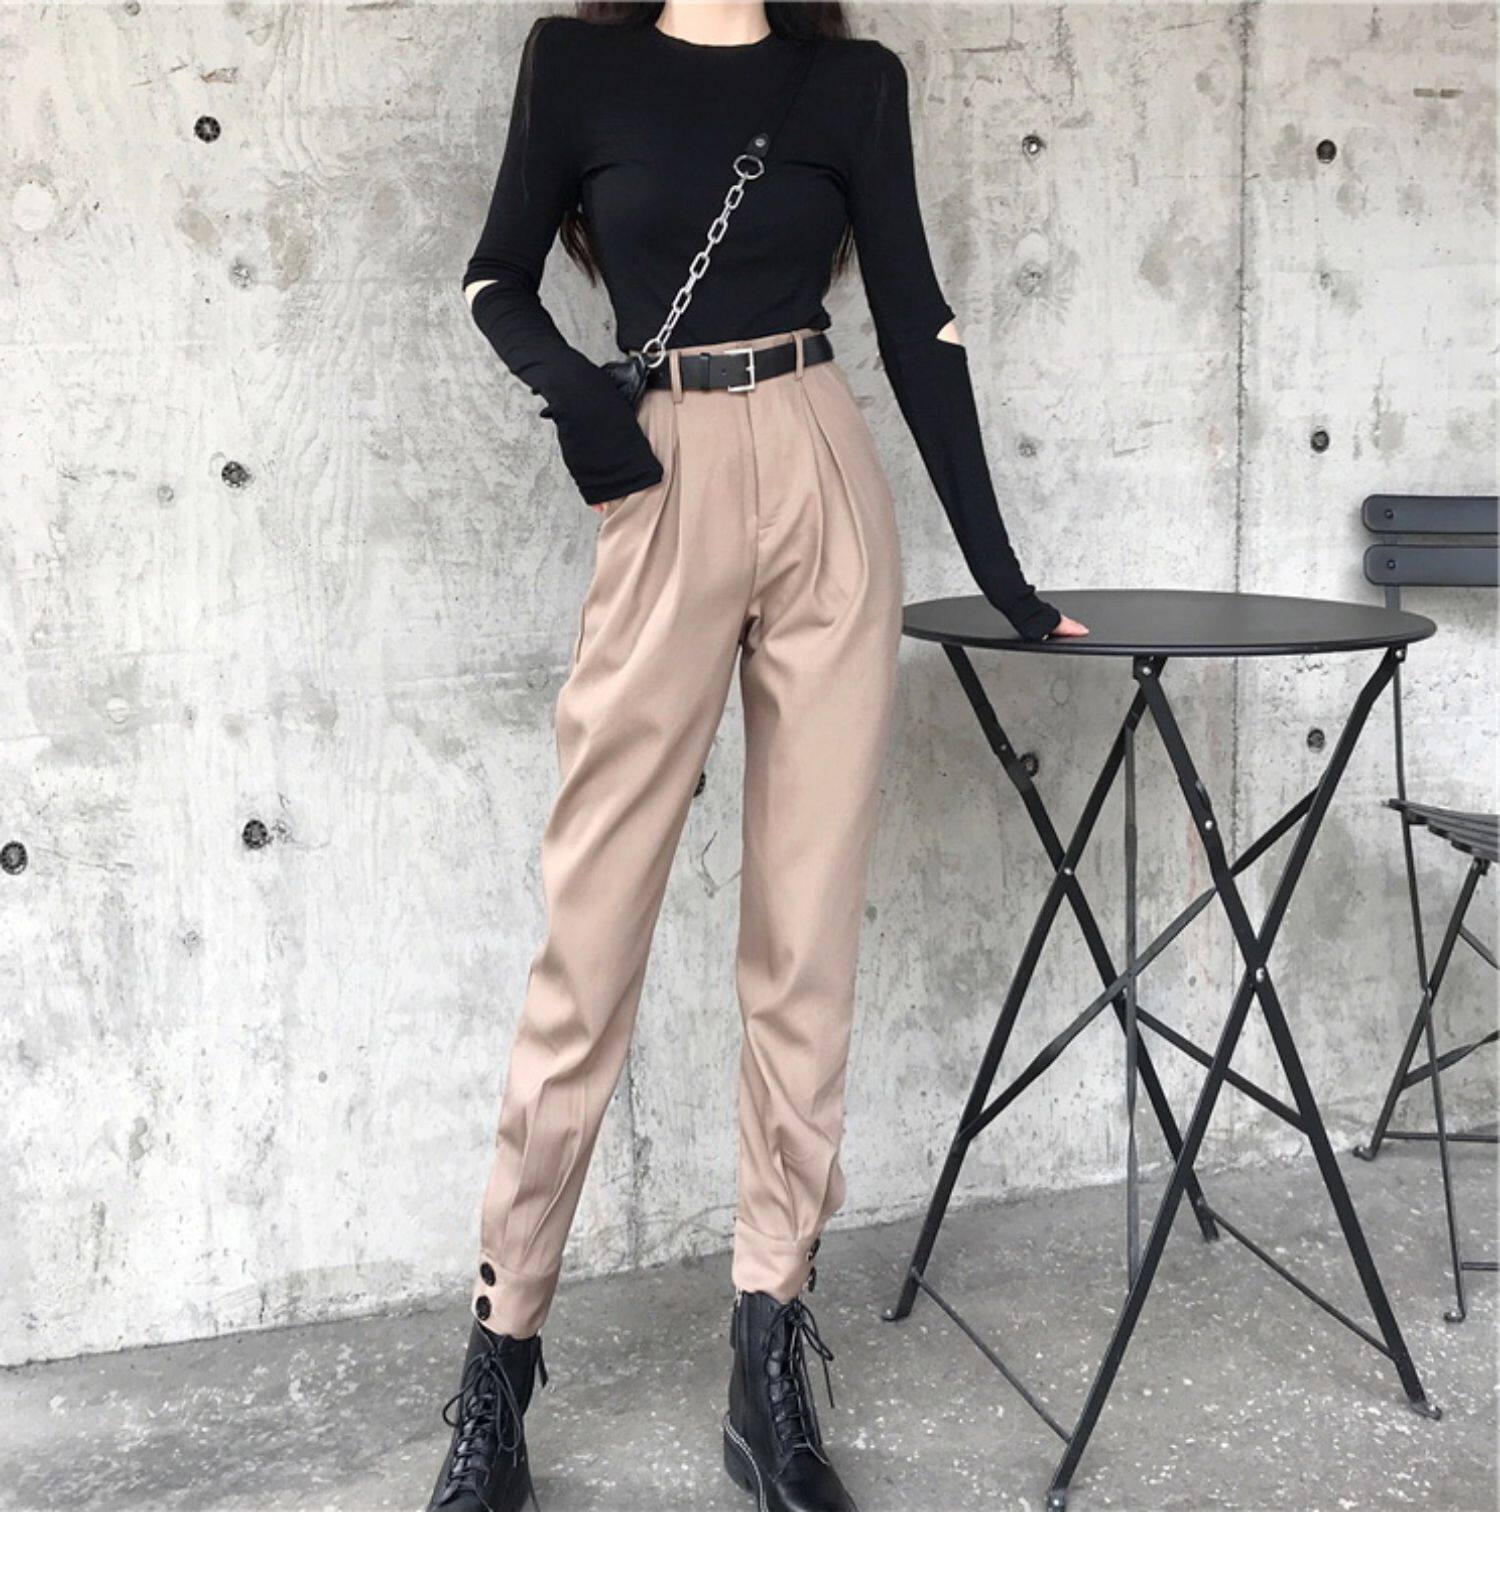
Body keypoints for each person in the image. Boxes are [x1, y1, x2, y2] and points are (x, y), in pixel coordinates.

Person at [429, 0, 1087, 1514]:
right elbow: (493, 278)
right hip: (659, 471)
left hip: (822, 466)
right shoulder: (576, 63)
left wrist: (999, 572)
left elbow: (916, 319)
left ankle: (769, 1342)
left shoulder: (852, 83)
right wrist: (580, 396)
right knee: (590, 938)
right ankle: (500, 1354)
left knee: (805, 941)